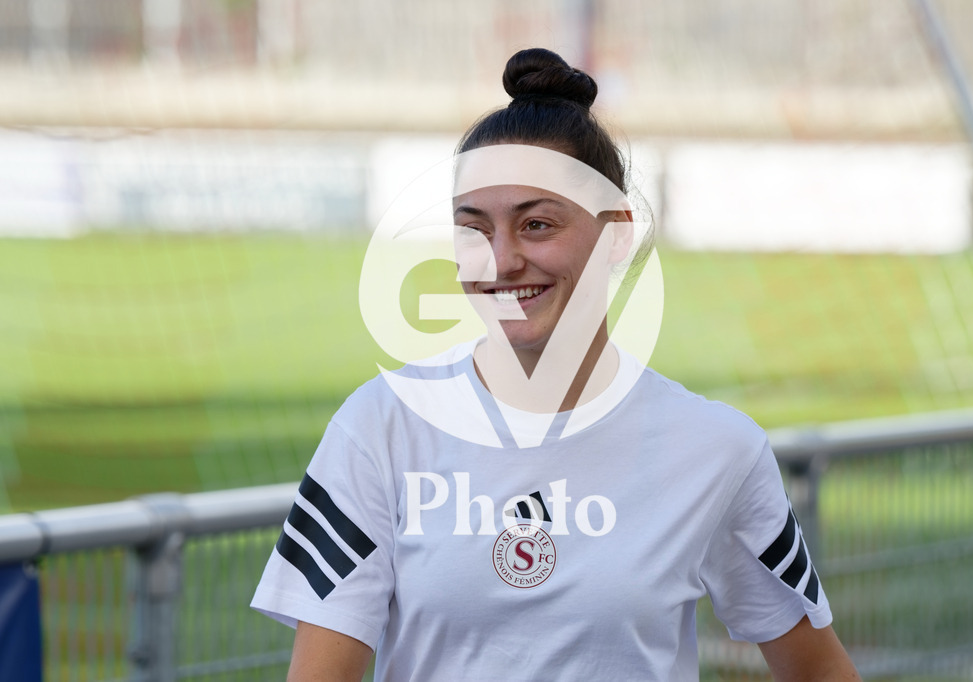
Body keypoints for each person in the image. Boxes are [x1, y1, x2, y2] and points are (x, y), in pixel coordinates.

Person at [252, 47, 862, 681]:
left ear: (617, 233)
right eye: (475, 229)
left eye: (537, 224)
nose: (503, 260)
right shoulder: (380, 427)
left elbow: (818, 670)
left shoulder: (717, 449)